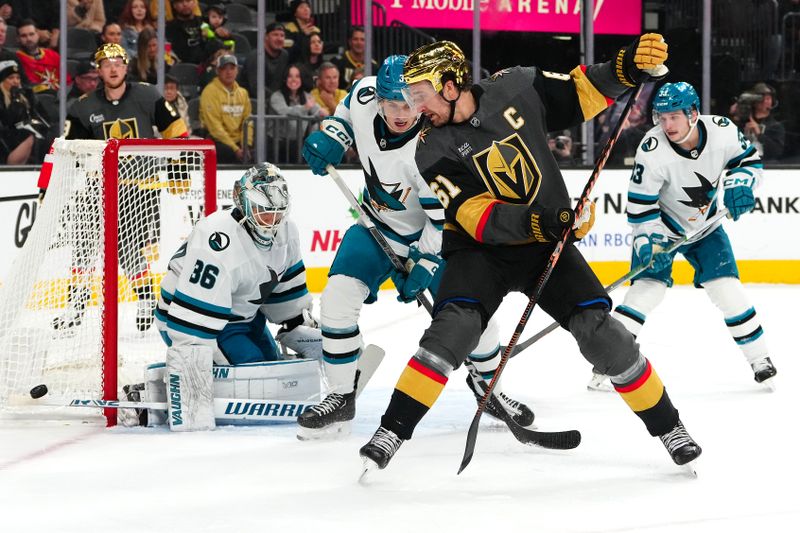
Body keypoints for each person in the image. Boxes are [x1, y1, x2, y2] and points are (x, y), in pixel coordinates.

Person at [357, 36, 705, 475]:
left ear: (449, 85)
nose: (414, 107)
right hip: (480, 250)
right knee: (452, 332)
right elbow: (475, 215)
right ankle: (391, 430)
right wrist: (546, 220)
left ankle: (670, 428)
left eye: (420, 96)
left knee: (604, 336)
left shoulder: (516, 87)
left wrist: (627, 66)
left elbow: (583, 91)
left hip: (546, 247)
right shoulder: (430, 147)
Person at [298, 55, 534, 440]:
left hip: (440, 237)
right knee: (338, 298)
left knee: (474, 314)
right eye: (393, 104)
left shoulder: (437, 148)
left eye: (411, 104)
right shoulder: (363, 93)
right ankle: (341, 394)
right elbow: (343, 113)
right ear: (379, 99)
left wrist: (423, 261)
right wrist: (333, 134)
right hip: (377, 227)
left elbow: (441, 220)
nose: (403, 113)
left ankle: (488, 387)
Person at [587, 82, 776, 391]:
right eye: (661, 117)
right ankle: (607, 363)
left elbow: (749, 162)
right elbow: (640, 207)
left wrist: (741, 183)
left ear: (693, 113)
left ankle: (760, 359)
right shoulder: (652, 149)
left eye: (674, 117)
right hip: (663, 227)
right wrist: (649, 241)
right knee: (646, 291)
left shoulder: (723, 130)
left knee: (726, 289)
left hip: (707, 225)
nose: (667, 125)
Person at [153, 162, 322, 430]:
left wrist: (297, 324)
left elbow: (284, 290)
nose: (271, 221)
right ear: (243, 204)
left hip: (244, 318)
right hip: (190, 320)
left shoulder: (287, 232)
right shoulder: (217, 238)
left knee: (271, 365)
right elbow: (190, 320)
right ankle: (171, 384)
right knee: (254, 369)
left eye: (277, 213)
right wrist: (197, 360)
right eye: (263, 212)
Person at [48, 43, 188, 333]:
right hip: (98, 187)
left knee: (128, 249)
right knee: (84, 246)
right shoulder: (84, 106)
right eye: (105, 63)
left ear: (126, 67)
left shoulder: (148, 96)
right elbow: (68, 150)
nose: (112, 68)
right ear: (98, 70)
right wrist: (53, 186)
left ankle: (146, 299)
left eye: (117, 62)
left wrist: (179, 171)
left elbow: (176, 131)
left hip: (140, 187)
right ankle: (77, 304)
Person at [199, 54, 251, 164]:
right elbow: (214, 127)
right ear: (217, 71)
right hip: (217, 141)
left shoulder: (243, 93)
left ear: (237, 70)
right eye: (224, 69)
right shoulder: (209, 92)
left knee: (262, 149)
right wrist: (235, 149)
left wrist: (246, 145)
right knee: (227, 152)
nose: (229, 72)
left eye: (232, 68)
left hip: (240, 142)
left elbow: (248, 122)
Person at [269, 64, 323, 160]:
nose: (294, 79)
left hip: (299, 143)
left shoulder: (307, 96)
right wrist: (305, 108)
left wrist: (322, 112)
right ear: (285, 79)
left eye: (297, 76)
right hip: (278, 144)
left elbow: (318, 111)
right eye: (290, 76)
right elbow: (286, 112)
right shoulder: (276, 96)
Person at [0, 60, 43, 164]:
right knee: (28, 135)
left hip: (27, 136)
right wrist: (14, 101)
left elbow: (41, 117)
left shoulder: (26, 95)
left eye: (18, 78)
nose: (15, 81)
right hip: (6, 140)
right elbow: (6, 122)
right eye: (11, 78)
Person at [732, 82, 785, 161]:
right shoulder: (742, 123)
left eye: (767, 99)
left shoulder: (775, 126)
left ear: (772, 102)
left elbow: (777, 152)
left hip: (768, 166)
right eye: (760, 98)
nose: (764, 101)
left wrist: (759, 135)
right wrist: (734, 117)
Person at [15, 19, 65, 94]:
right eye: (24, 36)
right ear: (18, 39)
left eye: (31, 34)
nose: (29, 39)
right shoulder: (15, 59)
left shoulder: (53, 55)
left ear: (38, 35)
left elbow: (67, 82)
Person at [243, 22, 289, 96]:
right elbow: (256, 89)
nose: (279, 39)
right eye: (275, 35)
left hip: (276, 101)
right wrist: (277, 99)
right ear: (266, 37)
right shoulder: (255, 57)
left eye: (282, 36)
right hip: (255, 102)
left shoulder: (284, 55)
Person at [165, 0, 211, 65]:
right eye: (180, 2)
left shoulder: (204, 22)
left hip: (205, 66)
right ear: (174, 5)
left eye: (188, 0)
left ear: (195, 3)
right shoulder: (169, 27)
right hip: (181, 67)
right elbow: (167, 49)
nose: (185, 4)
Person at [332, 26, 377, 90]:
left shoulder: (373, 66)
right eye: (355, 39)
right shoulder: (337, 62)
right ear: (350, 42)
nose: (359, 43)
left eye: (362, 40)